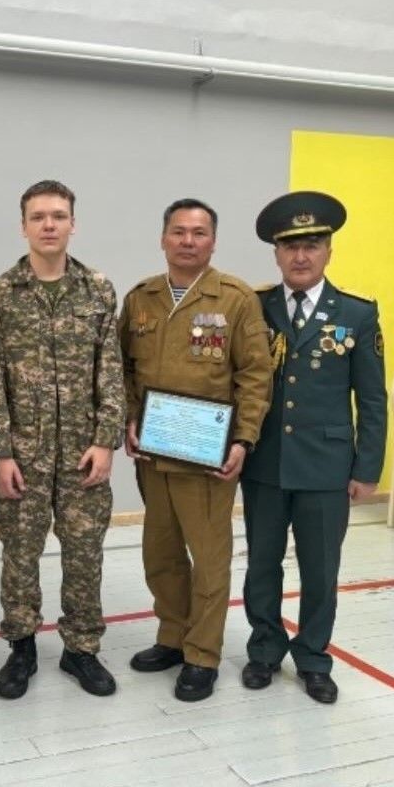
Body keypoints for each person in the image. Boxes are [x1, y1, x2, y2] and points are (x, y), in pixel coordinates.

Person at [118, 198, 273, 702]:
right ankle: (172, 636)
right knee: (160, 555)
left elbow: (255, 375)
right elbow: (123, 369)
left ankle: (202, 654)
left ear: (213, 241)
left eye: (199, 233)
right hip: (154, 455)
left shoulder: (235, 299)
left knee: (208, 560)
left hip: (209, 458)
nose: (188, 241)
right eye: (179, 231)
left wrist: (244, 438)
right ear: (163, 238)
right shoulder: (140, 299)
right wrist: (130, 417)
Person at [0, 180, 125, 700]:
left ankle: (81, 648)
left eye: (58, 216)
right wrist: (0, 452)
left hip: (84, 453)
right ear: (23, 226)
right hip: (24, 454)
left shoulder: (98, 290)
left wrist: (105, 441)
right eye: (38, 216)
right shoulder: (1, 294)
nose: (48, 225)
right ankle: (21, 647)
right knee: (20, 555)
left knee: (85, 555)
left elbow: (111, 371)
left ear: (72, 224)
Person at [241, 191, 386, 704]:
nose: (301, 256)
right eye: (290, 246)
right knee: (262, 564)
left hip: (326, 466)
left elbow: (371, 398)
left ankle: (313, 658)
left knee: (321, 570)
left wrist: (367, 468)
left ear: (328, 251)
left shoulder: (356, 313)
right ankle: (264, 649)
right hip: (265, 463)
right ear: (276, 254)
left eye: (312, 245)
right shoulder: (254, 307)